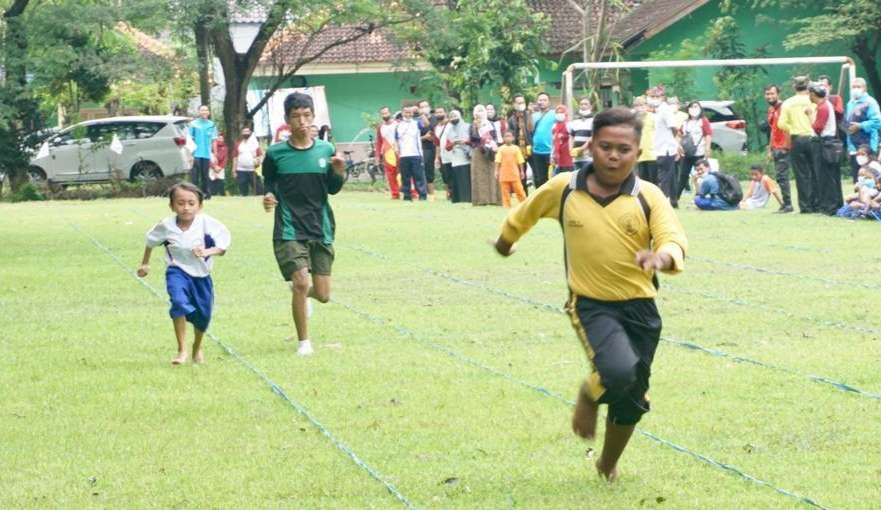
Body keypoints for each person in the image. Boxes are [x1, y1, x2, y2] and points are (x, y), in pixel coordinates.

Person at [492, 106, 687, 482]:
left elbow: (673, 238)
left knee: (633, 397)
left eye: (623, 149)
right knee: (616, 370)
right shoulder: (564, 188)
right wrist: (504, 243)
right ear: (590, 147)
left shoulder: (648, 196)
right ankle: (588, 394)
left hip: (642, 308)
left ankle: (607, 464)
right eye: (605, 147)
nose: (614, 156)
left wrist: (662, 256)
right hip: (591, 304)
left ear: (637, 152)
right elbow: (524, 215)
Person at [262, 92, 346, 356]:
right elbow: (269, 183)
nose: (301, 121)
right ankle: (304, 343)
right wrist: (268, 197)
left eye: (306, 115)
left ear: (313, 117)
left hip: (320, 226)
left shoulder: (326, 149)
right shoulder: (275, 154)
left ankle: (304, 294)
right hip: (289, 227)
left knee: (322, 295)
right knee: (300, 281)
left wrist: (340, 171)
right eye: (296, 116)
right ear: (287, 120)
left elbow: (332, 189)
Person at [137, 182, 231, 365]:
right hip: (177, 270)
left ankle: (197, 346)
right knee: (178, 302)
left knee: (203, 316)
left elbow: (223, 247)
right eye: (180, 203)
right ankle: (182, 350)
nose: (186, 207)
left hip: (202, 276)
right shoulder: (166, 225)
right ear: (172, 205)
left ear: (199, 205)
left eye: (191, 203)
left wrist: (207, 252)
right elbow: (150, 241)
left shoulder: (207, 223)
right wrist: (145, 263)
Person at [778, 76, 818, 213]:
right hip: (813, 137)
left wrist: (793, 128)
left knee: (801, 174)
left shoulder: (788, 103)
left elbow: (781, 124)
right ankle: (817, 204)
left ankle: (805, 206)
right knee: (815, 171)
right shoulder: (812, 100)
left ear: (794, 87)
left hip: (797, 139)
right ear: (808, 86)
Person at [809, 83, 845, 215]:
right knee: (831, 176)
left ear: (813, 94)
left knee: (825, 177)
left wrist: (809, 115)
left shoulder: (823, 107)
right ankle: (835, 205)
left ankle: (830, 207)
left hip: (824, 143)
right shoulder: (826, 105)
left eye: (810, 93)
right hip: (828, 143)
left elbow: (817, 128)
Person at [674, 101, 712, 204]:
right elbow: (679, 134)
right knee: (683, 176)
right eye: (691, 107)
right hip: (687, 153)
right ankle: (675, 199)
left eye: (696, 107)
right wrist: (679, 146)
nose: (693, 109)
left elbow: (708, 135)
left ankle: (700, 196)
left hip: (699, 152)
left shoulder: (703, 121)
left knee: (700, 176)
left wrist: (707, 148)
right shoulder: (685, 122)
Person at [764, 84, 794, 213]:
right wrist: (770, 148)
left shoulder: (784, 108)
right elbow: (773, 130)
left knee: (783, 176)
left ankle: (788, 205)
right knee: (780, 177)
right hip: (776, 147)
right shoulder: (771, 110)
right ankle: (785, 204)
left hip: (785, 147)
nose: (770, 96)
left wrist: (787, 146)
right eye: (767, 94)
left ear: (778, 94)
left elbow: (789, 127)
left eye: (772, 93)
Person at [845, 77, 881, 183]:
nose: (855, 89)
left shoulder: (870, 102)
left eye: (858, 87)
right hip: (854, 147)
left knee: (870, 178)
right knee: (857, 179)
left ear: (864, 88)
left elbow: (878, 122)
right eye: (854, 87)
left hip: (868, 146)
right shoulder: (850, 103)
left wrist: (861, 126)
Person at [650, 86, 680, 205]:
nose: (655, 99)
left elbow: (673, 128)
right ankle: (673, 200)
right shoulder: (656, 110)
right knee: (669, 174)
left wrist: (672, 141)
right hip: (659, 147)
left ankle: (664, 200)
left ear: (663, 97)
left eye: (657, 96)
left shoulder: (665, 109)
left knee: (664, 176)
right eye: (653, 96)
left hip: (666, 148)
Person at [470, 104, 501, 206]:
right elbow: (472, 138)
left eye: (482, 110)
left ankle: (494, 199)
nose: (480, 113)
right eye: (478, 111)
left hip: (491, 151)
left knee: (492, 174)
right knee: (480, 176)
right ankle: (481, 200)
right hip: (478, 152)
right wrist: (479, 130)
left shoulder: (491, 124)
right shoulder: (473, 125)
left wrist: (492, 144)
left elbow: (495, 136)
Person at [395, 105, 428, 201]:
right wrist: (397, 150)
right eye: (406, 112)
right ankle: (407, 196)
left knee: (418, 176)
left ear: (412, 113)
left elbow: (426, 124)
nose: (408, 114)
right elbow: (396, 139)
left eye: (410, 112)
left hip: (416, 154)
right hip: (403, 155)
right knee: (405, 177)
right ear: (402, 113)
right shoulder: (398, 125)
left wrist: (421, 113)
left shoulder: (416, 123)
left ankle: (422, 195)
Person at [189, 105, 217, 199]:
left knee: (205, 175)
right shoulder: (193, 124)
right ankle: (194, 194)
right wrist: (190, 155)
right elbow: (189, 140)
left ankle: (206, 194)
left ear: (208, 112)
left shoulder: (211, 124)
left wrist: (214, 154)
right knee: (195, 176)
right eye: (202, 110)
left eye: (206, 110)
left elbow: (214, 140)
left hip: (206, 154)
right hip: (195, 154)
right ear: (199, 112)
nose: (204, 112)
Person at [508, 94, 533, 194]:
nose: (521, 104)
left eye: (522, 102)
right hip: (518, 150)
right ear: (514, 105)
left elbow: (532, 130)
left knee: (538, 174)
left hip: (531, 148)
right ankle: (524, 197)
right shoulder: (511, 119)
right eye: (518, 103)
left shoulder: (529, 115)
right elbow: (510, 134)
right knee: (521, 175)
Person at [494, 130, 527, 208]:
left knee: (519, 190)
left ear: (513, 138)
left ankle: (524, 204)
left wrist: (522, 171)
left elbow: (520, 161)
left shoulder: (516, 148)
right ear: (503, 138)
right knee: (505, 192)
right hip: (504, 174)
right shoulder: (501, 149)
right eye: (506, 136)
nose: (508, 138)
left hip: (514, 174)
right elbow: (497, 161)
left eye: (509, 136)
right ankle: (506, 205)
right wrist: (496, 171)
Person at [530, 92, 555, 189]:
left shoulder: (554, 114)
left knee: (553, 177)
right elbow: (530, 130)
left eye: (545, 100)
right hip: (537, 151)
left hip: (551, 151)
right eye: (540, 100)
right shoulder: (534, 115)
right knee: (540, 178)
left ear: (549, 102)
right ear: (537, 102)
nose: (542, 102)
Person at [446, 109, 472, 203]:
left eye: (455, 116)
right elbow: (447, 147)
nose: (453, 118)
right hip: (455, 157)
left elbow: (473, 141)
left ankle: (467, 198)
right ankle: (457, 199)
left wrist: (464, 141)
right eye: (451, 117)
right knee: (457, 178)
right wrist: (453, 143)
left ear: (460, 116)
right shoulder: (449, 130)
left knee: (465, 178)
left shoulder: (468, 127)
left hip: (466, 156)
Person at [376, 106, 400, 199]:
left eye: (386, 113)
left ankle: (411, 192)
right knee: (390, 175)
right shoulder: (380, 127)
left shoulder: (398, 124)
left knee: (404, 173)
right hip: (387, 153)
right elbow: (378, 142)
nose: (384, 115)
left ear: (390, 113)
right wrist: (377, 156)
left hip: (399, 152)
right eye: (382, 113)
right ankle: (395, 194)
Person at [232, 126, 263, 196]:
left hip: (253, 170)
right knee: (243, 190)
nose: (246, 133)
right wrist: (234, 170)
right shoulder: (238, 144)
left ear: (250, 133)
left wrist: (258, 161)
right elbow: (235, 158)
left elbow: (261, 156)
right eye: (244, 132)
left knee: (259, 190)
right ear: (241, 133)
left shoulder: (255, 144)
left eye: (247, 131)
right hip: (241, 170)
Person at [417, 100, 438, 200]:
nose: (424, 108)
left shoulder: (435, 118)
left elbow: (432, 129)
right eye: (422, 107)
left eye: (426, 106)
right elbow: (415, 137)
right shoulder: (417, 121)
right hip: (423, 148)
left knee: (433, 170)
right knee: (424, 170)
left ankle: (434, 194)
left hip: (435, 147)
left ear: (429, 107)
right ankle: (426, 193)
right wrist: (424, 137)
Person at [634, 96, 657, 185]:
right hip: (639, 155)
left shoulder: (653, 117)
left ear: (646, 106)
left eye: (642, 105)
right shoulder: (633, 119)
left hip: (652, 154)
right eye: (637, 106)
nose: (639, 108)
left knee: (653, 181)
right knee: (643, 182)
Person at [434, 106, 454, 200]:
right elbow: (437, 144)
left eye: (441, 112)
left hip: (454, 154)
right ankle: (449, 194)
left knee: (455, 174)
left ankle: (456, 194)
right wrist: (437, 157)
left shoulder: (451, 125)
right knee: (446, 176)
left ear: (445, 113)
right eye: (437, 112)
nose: (439, 114)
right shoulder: (436, 128)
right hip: (443, 156)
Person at [569, 97, 594, 171]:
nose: (583, 106)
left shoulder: (593, 120)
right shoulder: (575, 121)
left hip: (587, 157)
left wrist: (582, 149)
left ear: (590, 106)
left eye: (586, 104)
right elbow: (572, 136)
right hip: (576, 157)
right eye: (581, 104)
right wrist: (571, 149)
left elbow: (593, 137)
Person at [551, 105, 575, 175]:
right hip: (558, 157)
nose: (559, 114)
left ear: (565, 113)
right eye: (557, 113)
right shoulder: (554, 126)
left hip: (568, 157)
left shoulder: (569, 125)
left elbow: (573, 138)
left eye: (561, 112)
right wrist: (552, 156)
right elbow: (553, 143)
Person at [208, 133, 228, 197]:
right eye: (218, 138)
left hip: (220, 168)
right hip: (211, 168)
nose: (220, 139)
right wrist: (213, 167)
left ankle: (222, 195)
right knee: (212, 181)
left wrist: (220, 167)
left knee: (220, 182)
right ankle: (212, 194)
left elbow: (225, 159)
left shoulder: (225, 148)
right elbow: (208, 159)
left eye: (221, 138)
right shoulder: (210, 148)